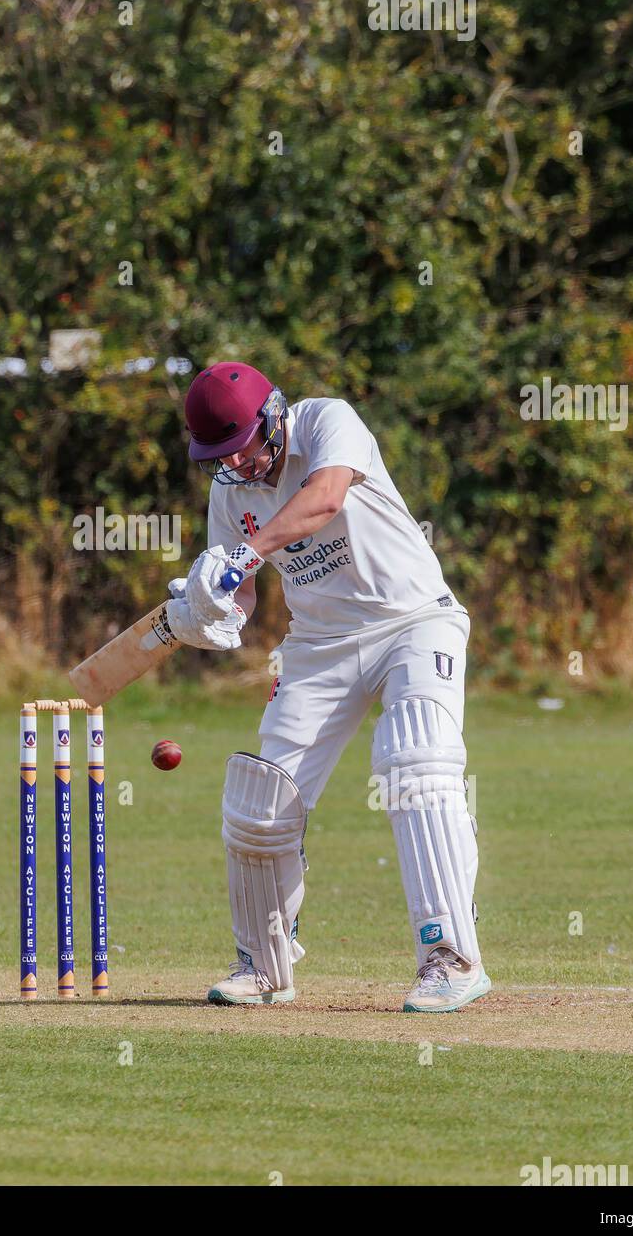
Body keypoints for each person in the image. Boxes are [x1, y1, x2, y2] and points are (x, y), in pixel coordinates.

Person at [168, 361, 487, 1012]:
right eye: (222, 458)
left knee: (414, 765)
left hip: (414, 620)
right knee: (260, 804)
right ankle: (263, 966)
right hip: (318, 646)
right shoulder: (230, 491)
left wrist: (244, 559)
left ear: (273, 416)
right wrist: (207, 613)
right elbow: (243, 597)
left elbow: (325, 498)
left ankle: (450, 959)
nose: (240, 467)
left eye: (246, 449)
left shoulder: (326, 421)